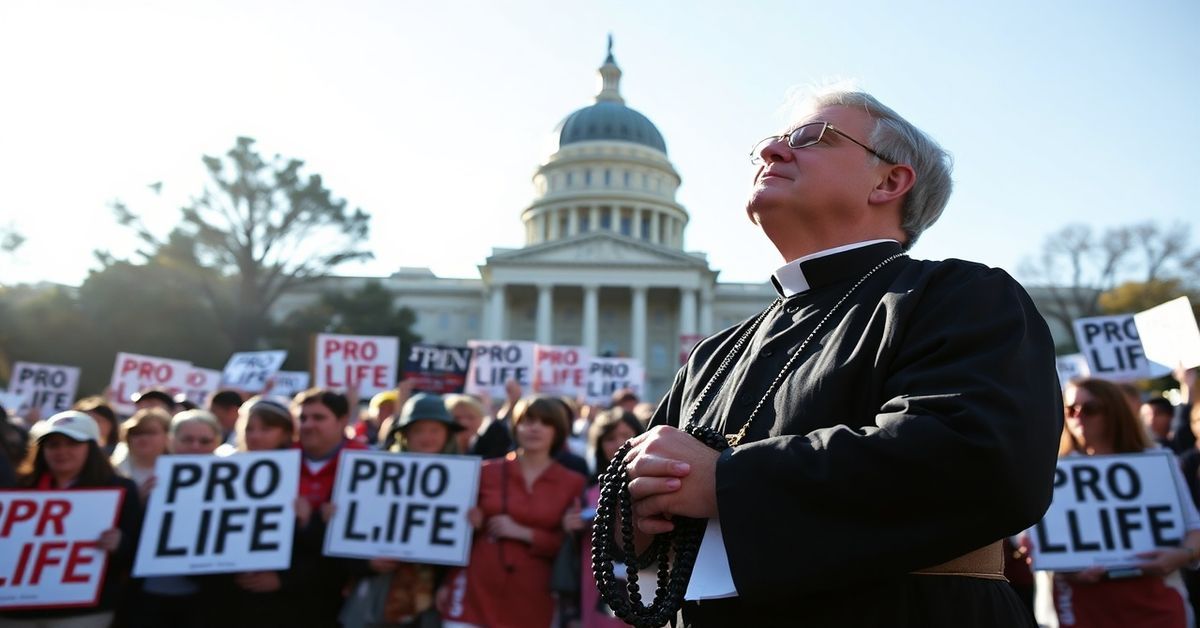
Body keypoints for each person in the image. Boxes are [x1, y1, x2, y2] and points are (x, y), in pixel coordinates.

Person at [614, 88, 1062, 626]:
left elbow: (980, 456)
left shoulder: (959, 294)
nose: (772, 153)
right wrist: (633, 515)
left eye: (810, 138)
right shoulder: (714, 355)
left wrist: (728, 481)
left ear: (890, 181)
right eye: (773, 142)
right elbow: (641, 501)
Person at [1047, 378, 1200, 627]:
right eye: (1070, 409)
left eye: (1090, 409)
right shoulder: (1053, 471)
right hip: (1083, 606)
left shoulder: (1157, 462)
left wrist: (1180, 555)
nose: (1078, 417)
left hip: (1156, 601)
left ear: (1115, 412)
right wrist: (1060, 564)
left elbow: (1195, 528)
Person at [440, 396, 586, 628]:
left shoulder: (573, 483)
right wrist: (469, 524)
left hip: (534, 597)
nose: (534, 428)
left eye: (545, 422)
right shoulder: (485, 472)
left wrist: (524, 533)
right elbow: (455, 535)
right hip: (474, 591)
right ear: (515, 426)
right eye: (527, 421)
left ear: (558, 430)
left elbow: (570, 547)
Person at [0, 411, 141, 628]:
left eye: (72, 443)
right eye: (53, 444)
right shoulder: (18, 488)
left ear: (92, 448)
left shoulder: (120, 489)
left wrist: (120, 543)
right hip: (17, 613)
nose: (61, 451)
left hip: (82, 614)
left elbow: (136, 553)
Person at [340, 393, 463, 627]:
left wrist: (473, 525)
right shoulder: (375, 474)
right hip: (379, 594)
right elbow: (349, 542)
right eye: (418, 431)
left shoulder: (465, 480)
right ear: (405, 435)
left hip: (432, 598)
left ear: (447, 434)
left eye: (434, 430)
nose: (427, 437)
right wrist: (367, 562)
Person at [564, 408, 645, 628]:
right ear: (599, 444)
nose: (620, 443)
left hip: (643, 584)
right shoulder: (589, 490)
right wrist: (572, 526)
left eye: (626, 435)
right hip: (598, 587)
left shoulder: (651, 483)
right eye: (610, 438)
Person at [113, 407, 171, 503]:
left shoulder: (180, 468)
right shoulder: (113, 472)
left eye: (150, 432)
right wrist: (134, 500)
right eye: (136, 433)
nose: (143, 438)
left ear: (167, 436)